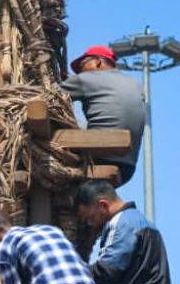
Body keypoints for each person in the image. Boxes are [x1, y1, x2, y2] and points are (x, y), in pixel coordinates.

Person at [61, 45, 146, 185]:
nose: (79, 73)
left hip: (97, 158)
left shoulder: (85, 79)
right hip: (127, 167)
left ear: (97, 62)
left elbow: (49, 96)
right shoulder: (135, 84)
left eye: (82, 67)